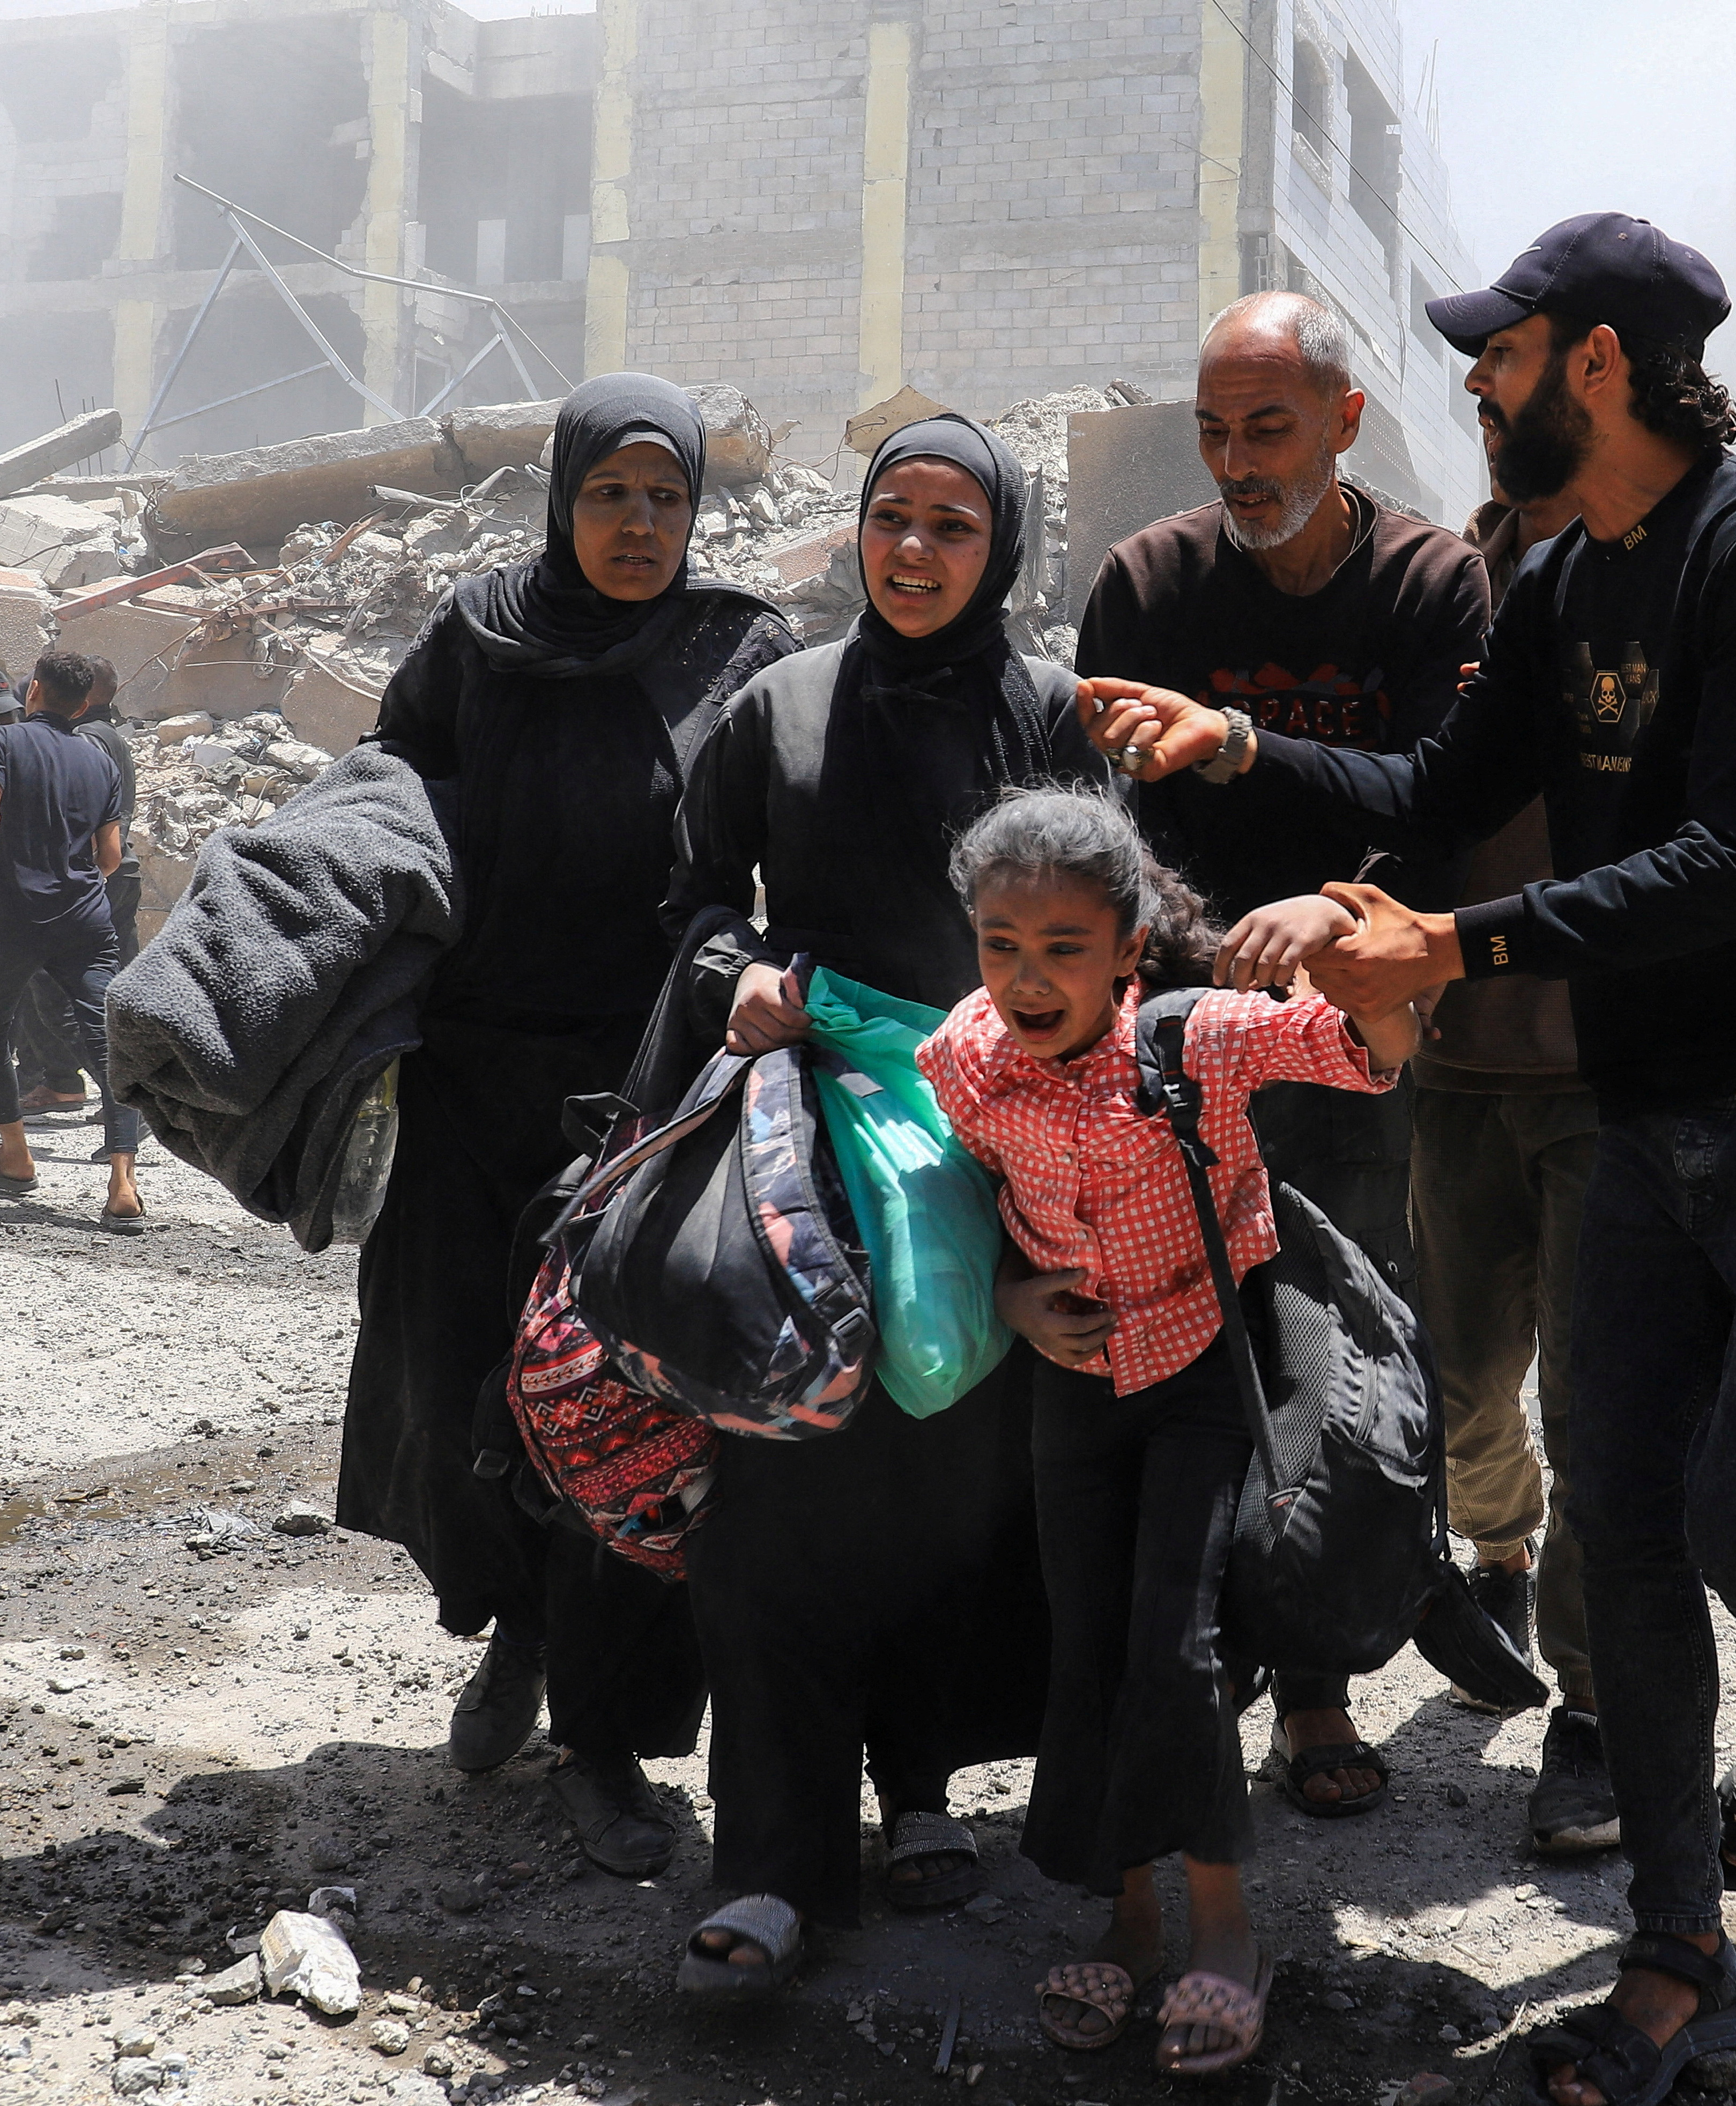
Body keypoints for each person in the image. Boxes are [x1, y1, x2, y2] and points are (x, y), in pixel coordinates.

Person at [1083, 211, 1736, 2106]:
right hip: (1648, 1120)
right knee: (1625, 1531)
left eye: (1503, 352)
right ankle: (1677, 1945)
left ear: (1601, 364)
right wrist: (1268, 791)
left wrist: (1446, 944)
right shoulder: (1562, 584)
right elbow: (1425, 795)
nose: (1475, 385)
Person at [662, 413, 1100, 1977]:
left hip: (991, 1159)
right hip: (801, 1157)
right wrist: (746, 979)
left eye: (952, 529)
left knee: (948, 1475)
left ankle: (920, 1788)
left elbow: (1101, 928)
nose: (912, 553)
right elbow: (700, 902)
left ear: (1003, 553)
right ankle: (773, 1861)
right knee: (777, 1487)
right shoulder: (774, 708)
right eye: (891, 520)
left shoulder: (1040, 713)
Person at [346, 374, 799, 1876]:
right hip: (471, 1073)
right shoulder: (477, 635)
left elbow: (786, 840)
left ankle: (606, 1738)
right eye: (612, 493)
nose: (639, 523)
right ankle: (512, 1638)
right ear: (562, 497)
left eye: (666, 497)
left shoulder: (737, 649)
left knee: (626, 1400)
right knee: (458, 1368)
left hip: (650, 1086)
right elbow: (384, 791)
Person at [914, 788, 1419, 2080]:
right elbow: (959, 1207)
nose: (1026, 978)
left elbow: (1374, 1049)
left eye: (1063, 949)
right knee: (1084, 1640)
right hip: (1074, 1386)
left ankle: (1226, 1926)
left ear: (1129, 948)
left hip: (1202, 1368)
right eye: (999, 943)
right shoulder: (965, 1056)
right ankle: (1127, 1917)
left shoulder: (1196, 1042)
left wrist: (1352, 945)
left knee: (1174, 1644)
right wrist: (1016, 1301)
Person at [1077, 289, 1489, 1818]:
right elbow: (1112, 825)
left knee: (1343, 1332)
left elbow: (1442, 799)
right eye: (1215, 431)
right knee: (1180, 1340)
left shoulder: (1434, 585)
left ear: (1343, 421)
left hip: (1351, 1030)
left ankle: (1318, 1675)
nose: (1240, 460)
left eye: (1268, 426)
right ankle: (1195, 1663)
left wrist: (1324, 896)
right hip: (1176, 1043)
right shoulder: (1148, 582)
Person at [1414, 458, 1618, 1854]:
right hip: (1458, 1063)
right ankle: (1498, 1545)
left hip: (1615, 1073)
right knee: (1467, 1370)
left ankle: (1594, 1713)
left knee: (1603, 1404)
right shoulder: (1441, 592)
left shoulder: (1669, 576)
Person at [0, 649, 144, 1225]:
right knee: (106, 1042)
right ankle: (123, 1185)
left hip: (14, 918)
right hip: (86, 920)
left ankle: (14, 1156)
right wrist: (73, 882)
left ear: (32, 691)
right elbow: (110, 856)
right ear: (84, 705)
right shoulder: (98, 761)